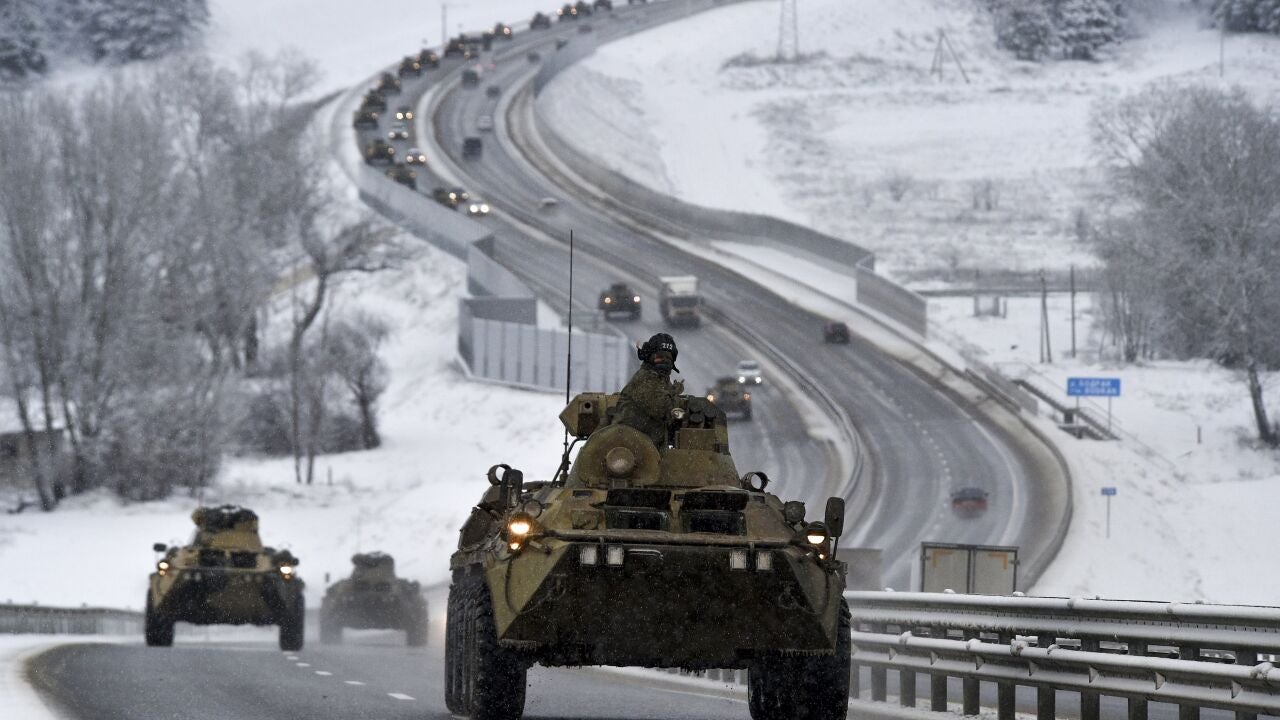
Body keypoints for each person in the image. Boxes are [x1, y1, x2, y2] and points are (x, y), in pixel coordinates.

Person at [613, 333, 685, 447]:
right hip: (627, 447)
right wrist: (675, 396)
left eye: (668, 358)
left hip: (646, 446)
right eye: (660, 357)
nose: (664, 361)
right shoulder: (645, 379)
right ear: (649, 357)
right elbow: (663, 410)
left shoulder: (661, 379)